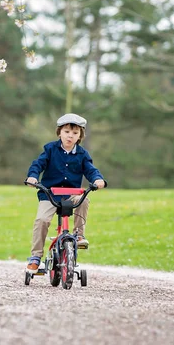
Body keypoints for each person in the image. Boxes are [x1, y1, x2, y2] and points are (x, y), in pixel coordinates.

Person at [25, 113, 106, 273]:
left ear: (80, 136)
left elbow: (91, 170)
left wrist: (98, 179)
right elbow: (38, 164)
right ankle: (35, 257)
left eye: (75, 133)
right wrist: (33, 177)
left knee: (84, 200)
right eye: (67, 132)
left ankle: (79, 235)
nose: (70, 136)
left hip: (71, 194)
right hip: (50, 194)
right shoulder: (50, 149)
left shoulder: (82, 154)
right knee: (42, 220)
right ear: (59, 132)